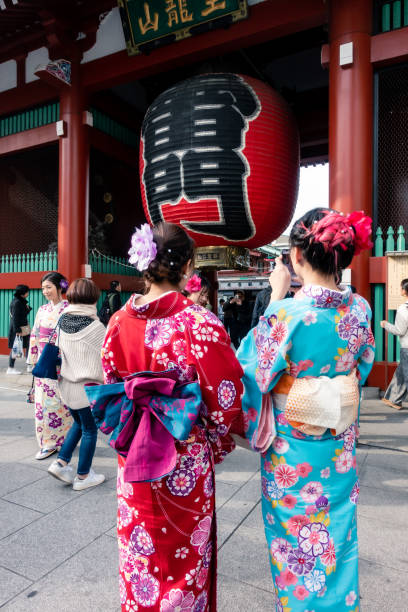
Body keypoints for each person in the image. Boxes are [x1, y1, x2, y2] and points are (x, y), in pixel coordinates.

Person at [237, 208, 375, 611]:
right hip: (339, 446)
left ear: (296, 256)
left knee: (296, 540)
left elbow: (254, 372)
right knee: (337, 534)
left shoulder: (286, 312)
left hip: (292, 452)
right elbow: (363, 366)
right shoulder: (361, 309)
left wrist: (276, 297)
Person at [101, 222, 243, 611]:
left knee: (140, 550)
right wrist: (212, 440)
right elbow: (225, 397)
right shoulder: (200, 324)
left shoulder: (117, 322)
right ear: (188, 265)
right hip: (184, 455)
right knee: (184, 558)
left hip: (134, 452)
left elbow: (111, 382)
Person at [48, 278, 106, 490]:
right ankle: (83, 477)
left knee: (79, 424)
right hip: (87, 390)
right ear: (94, 298)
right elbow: (107, 358)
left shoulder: (62, 320)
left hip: (67, 386)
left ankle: (60, 463)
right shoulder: (96, 327)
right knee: (90, 430)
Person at [27, 272, 72, 460]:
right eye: (43, 287)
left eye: (49, 287)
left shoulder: (69, 309)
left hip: (63, 362)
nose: (45, 291)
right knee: (43, 403)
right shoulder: (42, 310)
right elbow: (35, 335)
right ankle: (48, 443)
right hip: (45, 363)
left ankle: (66, 439)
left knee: (63, 404)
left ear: (60, 287)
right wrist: (33, 359)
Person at [380, 278, 408, 410]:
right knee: (401, 373)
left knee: (405, 374)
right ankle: (394, 399)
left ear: (405, 291)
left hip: (407, 347)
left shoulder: (403, 309)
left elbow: (399, 330)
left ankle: (394, 399)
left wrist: (385, 325)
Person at [7, 284, 31, 375]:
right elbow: (15, 318)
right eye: (27, 292)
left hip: (21, 328)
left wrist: (27, 309)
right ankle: (10, 368)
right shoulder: (17, 302)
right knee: (16, 347)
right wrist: (17, 331)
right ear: (23, 293)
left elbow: (21, 314)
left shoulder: (19, 301)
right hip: (19, 329)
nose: (28, 293)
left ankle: (29, 365)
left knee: (28, 344)